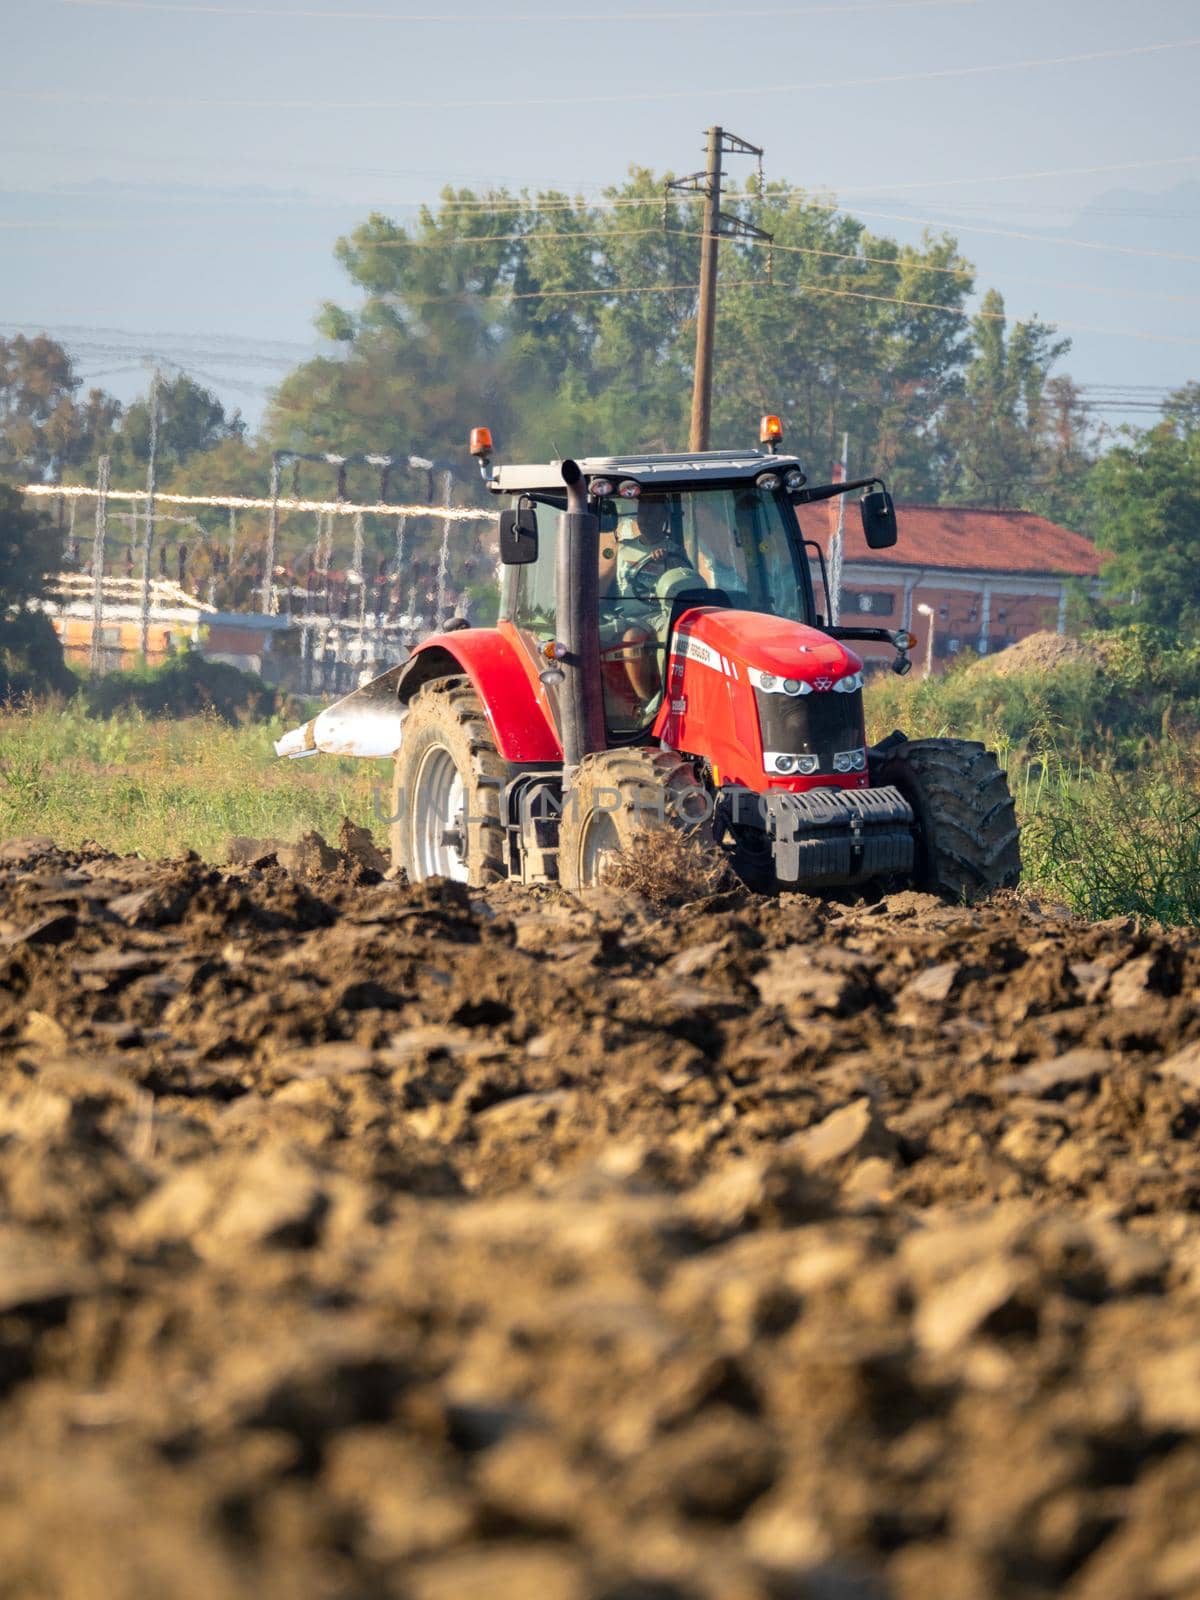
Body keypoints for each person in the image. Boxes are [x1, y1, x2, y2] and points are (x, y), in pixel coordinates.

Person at [597, 497, 704, 723]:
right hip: (629, 616)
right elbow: (601, 584)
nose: (647, 519)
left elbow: (688, 582)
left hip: (660, 614)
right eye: (643, 513)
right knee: (631, 640)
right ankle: (646, 703)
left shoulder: (674, 551)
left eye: (654, 514)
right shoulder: (623, 549)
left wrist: (669, 562)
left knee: (675, 641)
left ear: (664, 517)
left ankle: (671, 698)